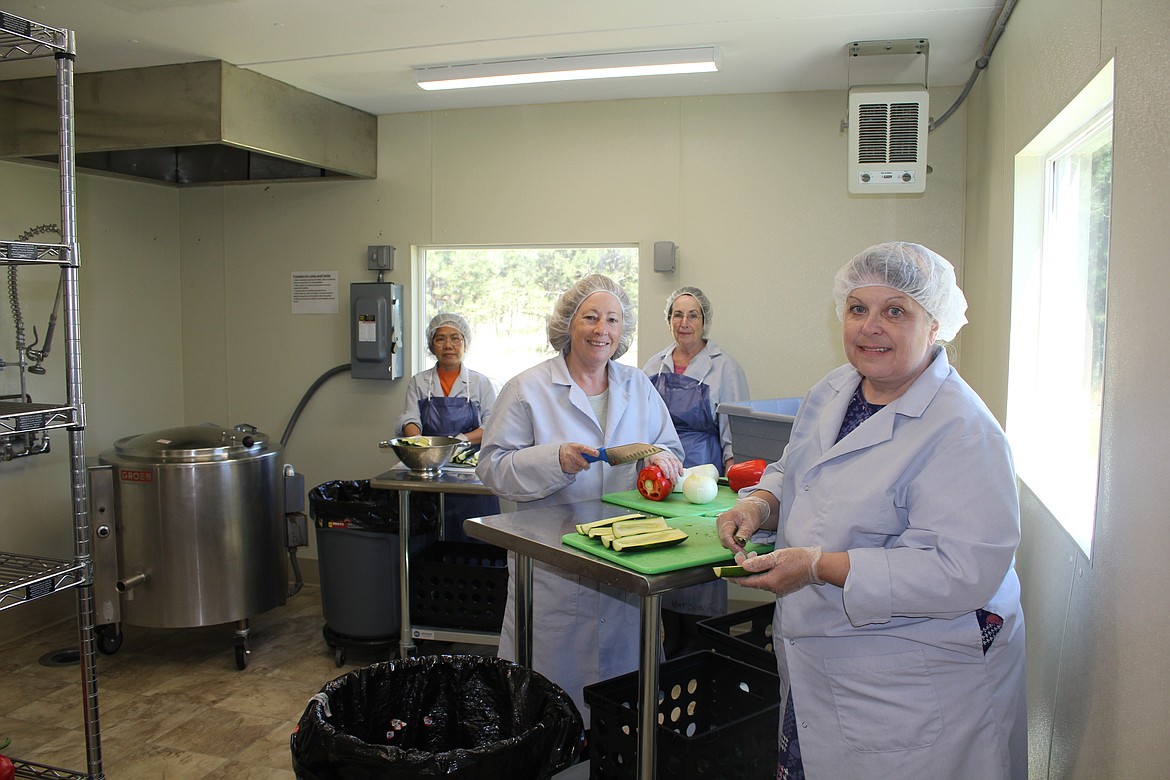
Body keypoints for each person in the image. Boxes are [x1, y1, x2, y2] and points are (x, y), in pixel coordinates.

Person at [716, 242, 1026, 779]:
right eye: (858, 308)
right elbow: (797, 469)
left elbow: (961, 570)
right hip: (824, 659)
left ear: (935, 326)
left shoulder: (963, 430)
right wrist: (761, 504)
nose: (870, 327)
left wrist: (817, 566)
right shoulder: (833, 389)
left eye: (895, 311)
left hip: (913, 678)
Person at [476, 273, 684, 723]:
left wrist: (663, 462)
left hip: (628, 568)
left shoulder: (638, 386)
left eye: (612, 319)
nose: (601, 329)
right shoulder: (526, 389)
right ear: (568, 324)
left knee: (623, 703)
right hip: (552, 572)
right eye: (590, 317)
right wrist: (556, 461)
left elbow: (669, 447)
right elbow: (491, 467)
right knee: (552, 706)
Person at [642, 286, 750, 654]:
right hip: (660, 477)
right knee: (664, 554)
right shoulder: (653, 366)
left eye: (692, 315)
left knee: (701, 556)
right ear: (668, 320)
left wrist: (735, 476)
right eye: (677, 314)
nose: (684, 322)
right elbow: (641, 422)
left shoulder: (725, 366)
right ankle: (670, 648)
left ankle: (702, 651)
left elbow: (733, 426)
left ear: (704, 321)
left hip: (706, 473)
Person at [397, 312, 499, 542]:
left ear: (465, 344)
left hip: (470, 470)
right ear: (431, 345)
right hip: (429, 468)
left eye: (455, 338)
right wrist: (421, 444)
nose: (448, 345)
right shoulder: (419, 382)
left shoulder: (480, 383)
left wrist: (459, 441)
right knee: (430, 537)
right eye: (440, 339)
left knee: (472, 537)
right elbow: (410, 419)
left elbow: (492, 425)